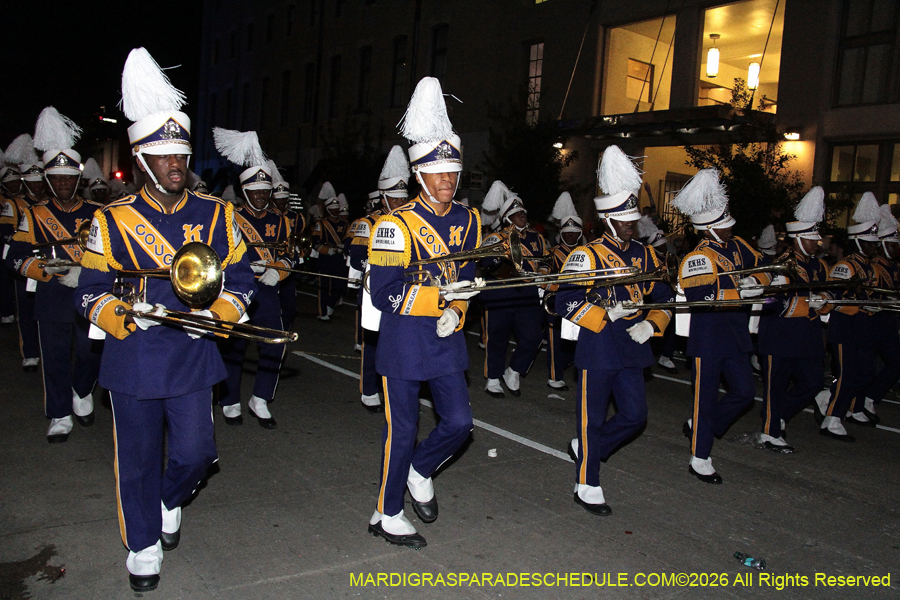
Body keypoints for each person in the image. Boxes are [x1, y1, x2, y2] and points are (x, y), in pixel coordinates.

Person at [75, 48, 256, 591]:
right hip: (134, 355)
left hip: (194, 354)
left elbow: (243, 277)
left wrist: (220, 315)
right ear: (144, 161)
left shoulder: (218, 214)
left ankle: (168, 499)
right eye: (165, 157)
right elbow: (88, 293)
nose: (177, 165)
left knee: (198, 454)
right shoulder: (112, 221)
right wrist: (126, 318)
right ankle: (143, 545)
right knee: (135, 458)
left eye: (181, 156)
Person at [367, 76, 481, 549]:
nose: (446, 181)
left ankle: (420, 468)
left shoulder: (469, 220)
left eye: (452, 172)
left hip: (446, 338)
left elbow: (469, 274)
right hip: (404, 343)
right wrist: (439, 301)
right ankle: (386, 512)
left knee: (460, 424)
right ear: (418, 174)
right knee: (404, 428)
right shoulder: (395, 226)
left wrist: (458, 307)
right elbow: (385, 293)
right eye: (437, 173)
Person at [557, 145, 674, 515]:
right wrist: (604, 315)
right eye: (623, 220)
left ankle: (590, 447)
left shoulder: (646, 255)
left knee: (635, 416)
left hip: (633, 345)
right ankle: (587, 483)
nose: (630, 225)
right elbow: (565, 302)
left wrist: (652, 323)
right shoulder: (585, 256)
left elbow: (665, 294)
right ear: (607, 220)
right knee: (590, 419)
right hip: (599, 346)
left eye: (633, 219)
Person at [6, 108, 102, 442]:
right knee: (56, 356)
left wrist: (85, 272)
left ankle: (81, 389)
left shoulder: (98, 213)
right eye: (57, 178)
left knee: (91, 353)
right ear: (48, 180)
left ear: (78, 180)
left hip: (89, 292)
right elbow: (15, 256)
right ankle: (60, 413)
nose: (63, 183)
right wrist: (41, 269)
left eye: (69, 178)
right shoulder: (34, 215)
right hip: (51, 294)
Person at [673, 168, 770, 484]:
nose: (730, 230)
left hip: (737, 334)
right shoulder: (697, 258)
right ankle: (700, 457)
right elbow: (703, 298)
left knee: (744, 393)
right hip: (709, 337)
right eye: (724, 227)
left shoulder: (741, 246)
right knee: (704, 399)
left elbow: (764, 268)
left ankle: (705, 425)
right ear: (709, 230)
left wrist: (760, 280)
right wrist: (743, 289)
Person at [213, 128, 293, 430]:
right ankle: (230, 399)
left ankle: (260, 398)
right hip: (235, 289)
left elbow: (290, 254)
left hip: (268, 290)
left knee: (275, 343)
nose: (260, 196)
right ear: (244, 191)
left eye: (265, 191)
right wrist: (247, 267)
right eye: (255, 191)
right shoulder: (228, 217)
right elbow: (218, 257)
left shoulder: (280, 220)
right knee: (234, 346)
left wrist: (278, 270)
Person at [756, 187, 829, 453]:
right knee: (775, 386)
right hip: (780, 336)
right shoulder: (782, 264)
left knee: (813, 383)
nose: (816, 242)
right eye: (811, 238)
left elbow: (825, 293)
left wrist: (825, 302)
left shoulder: (818, 265)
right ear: (797, 239)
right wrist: (810, 304)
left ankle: (776, 414)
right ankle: (770, 432)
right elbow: (773, 302)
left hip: (808, 337)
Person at [814, 193, 885, 440]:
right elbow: (832, 300)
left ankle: (830, 397)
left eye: (875, 243)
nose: (874, 246)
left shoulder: (871, 266)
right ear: (858, 242)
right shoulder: (846, 267)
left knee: (866, 373)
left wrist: (874, 305)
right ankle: (832, 418)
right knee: (849, 374)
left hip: (863, 327)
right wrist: (861, 306)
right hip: (845, 327)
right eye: (870, 242)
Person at [349, 145, 411, 412]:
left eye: (402, 198)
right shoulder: (368, 223)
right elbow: (356, 258)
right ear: (383, 199)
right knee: (373, 340)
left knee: (404, 341)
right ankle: (369, 388)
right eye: (394, 199)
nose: (399, 203)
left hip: (406, 287)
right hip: (374, 287)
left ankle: (398, 390)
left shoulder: (412, 221)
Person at [480, 180, 549, 398]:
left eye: (523, 213)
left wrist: (543, 274)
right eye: (517, 213)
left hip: (527, 293)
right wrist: (498, 257)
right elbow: (483, 262)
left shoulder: (537, 237)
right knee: (497, 336)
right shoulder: (496, 237)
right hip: (500, 292)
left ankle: (514, 370)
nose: (522, 216)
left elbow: (546, 259)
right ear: (507, 217)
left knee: (533, 337)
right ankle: (493, 378)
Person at [853, 204, 900, 424]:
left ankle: (867, 398)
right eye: (892, 244)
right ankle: (855, 401)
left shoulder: (893, 267)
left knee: (891, 364)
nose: (896, 248)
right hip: (874, 322)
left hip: (888, 322)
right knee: (866, 368)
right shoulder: (875, 267)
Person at [3, 135, 44, 371]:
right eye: (33, 181)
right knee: (26, 309)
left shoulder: (50, 203)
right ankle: (29, 352)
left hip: (50, 262)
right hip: (26, 259)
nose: (37, 185)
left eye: (40, 181)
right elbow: (7, 233)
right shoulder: (15, 204)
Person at [545, 191, 582, 390]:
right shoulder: (551, 254)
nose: (570, 235)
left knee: (576, 342)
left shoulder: (586, 253)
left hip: (579, 302)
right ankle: (554, 376)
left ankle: (563, 364)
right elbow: (544, 278)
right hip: (556, 303)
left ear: (579, 234)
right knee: (555, 343)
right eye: (567, 232)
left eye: (574, 233)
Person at [269, 161, 305, 332]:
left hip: (287, 264)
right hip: (268, 264)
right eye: (278, 199)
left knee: (290, 304)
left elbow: (300, 237)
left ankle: (283, 329)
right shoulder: (267, 217)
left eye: (285, 199)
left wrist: (301, 252)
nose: (282, 202)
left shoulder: (296, 217)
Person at [311, 182, 349, 321]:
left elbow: (348, 239)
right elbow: (315, 243)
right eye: (331, 209)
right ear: (327, 209)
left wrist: (344, 247)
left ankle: (331, 305)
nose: (334, 211)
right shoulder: (321, 224)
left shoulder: (345, 225)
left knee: (340, 285)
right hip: (326, 259)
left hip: (339, 258)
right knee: (324, 286)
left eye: (336, 208)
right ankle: (322, 313)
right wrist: (327, 250)